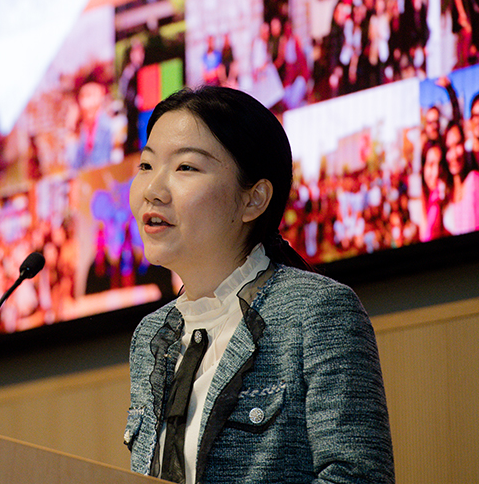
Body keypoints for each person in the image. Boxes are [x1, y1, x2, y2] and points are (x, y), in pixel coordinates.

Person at [124, 86, 394, 483]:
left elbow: (357, 477)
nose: (152, 190)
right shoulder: (151, 336)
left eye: (185, 168)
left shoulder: (317, 311)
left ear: (254, 199)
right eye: (146, 166)